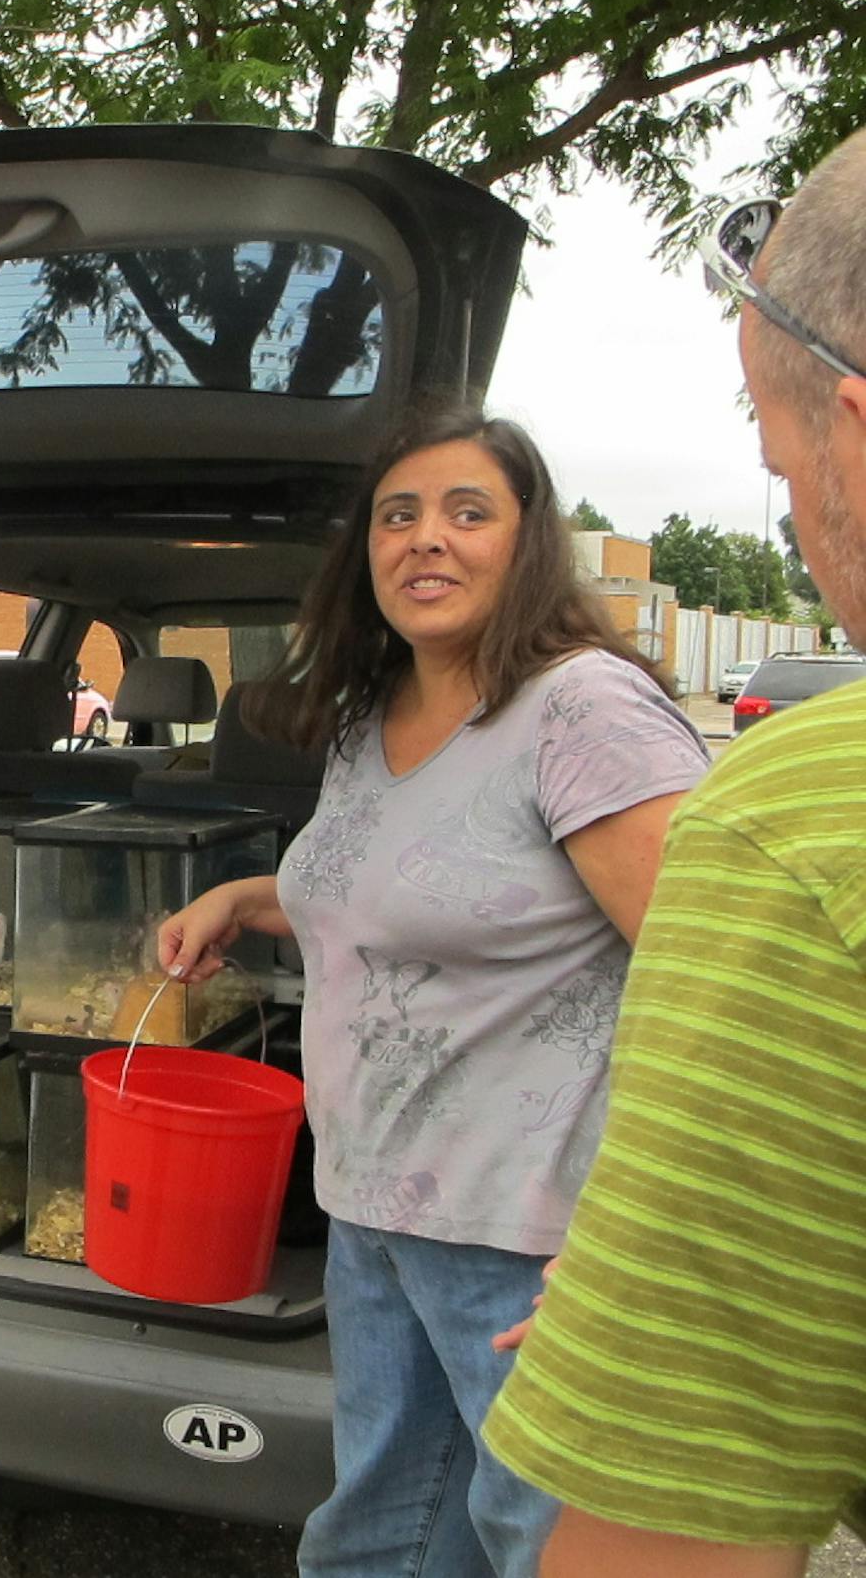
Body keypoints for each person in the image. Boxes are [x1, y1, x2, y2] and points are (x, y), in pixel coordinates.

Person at [157, 403, 709, 1578]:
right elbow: (404, 893)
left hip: (531, 1236)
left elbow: (709, 981)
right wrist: (251, 898)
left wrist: (636, 1237)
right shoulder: (369, 718)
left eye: (469, 511)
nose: (427, 540)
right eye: (398, 516)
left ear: (529, 542)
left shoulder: (582, 710)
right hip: (374, 1213)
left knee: (544, 1547)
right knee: (384, 1539)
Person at [484, 136, 866, 1574]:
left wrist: (682, 1248)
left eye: (782, 470)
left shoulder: (796, 818)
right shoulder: (366, 726)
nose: (796, 523)